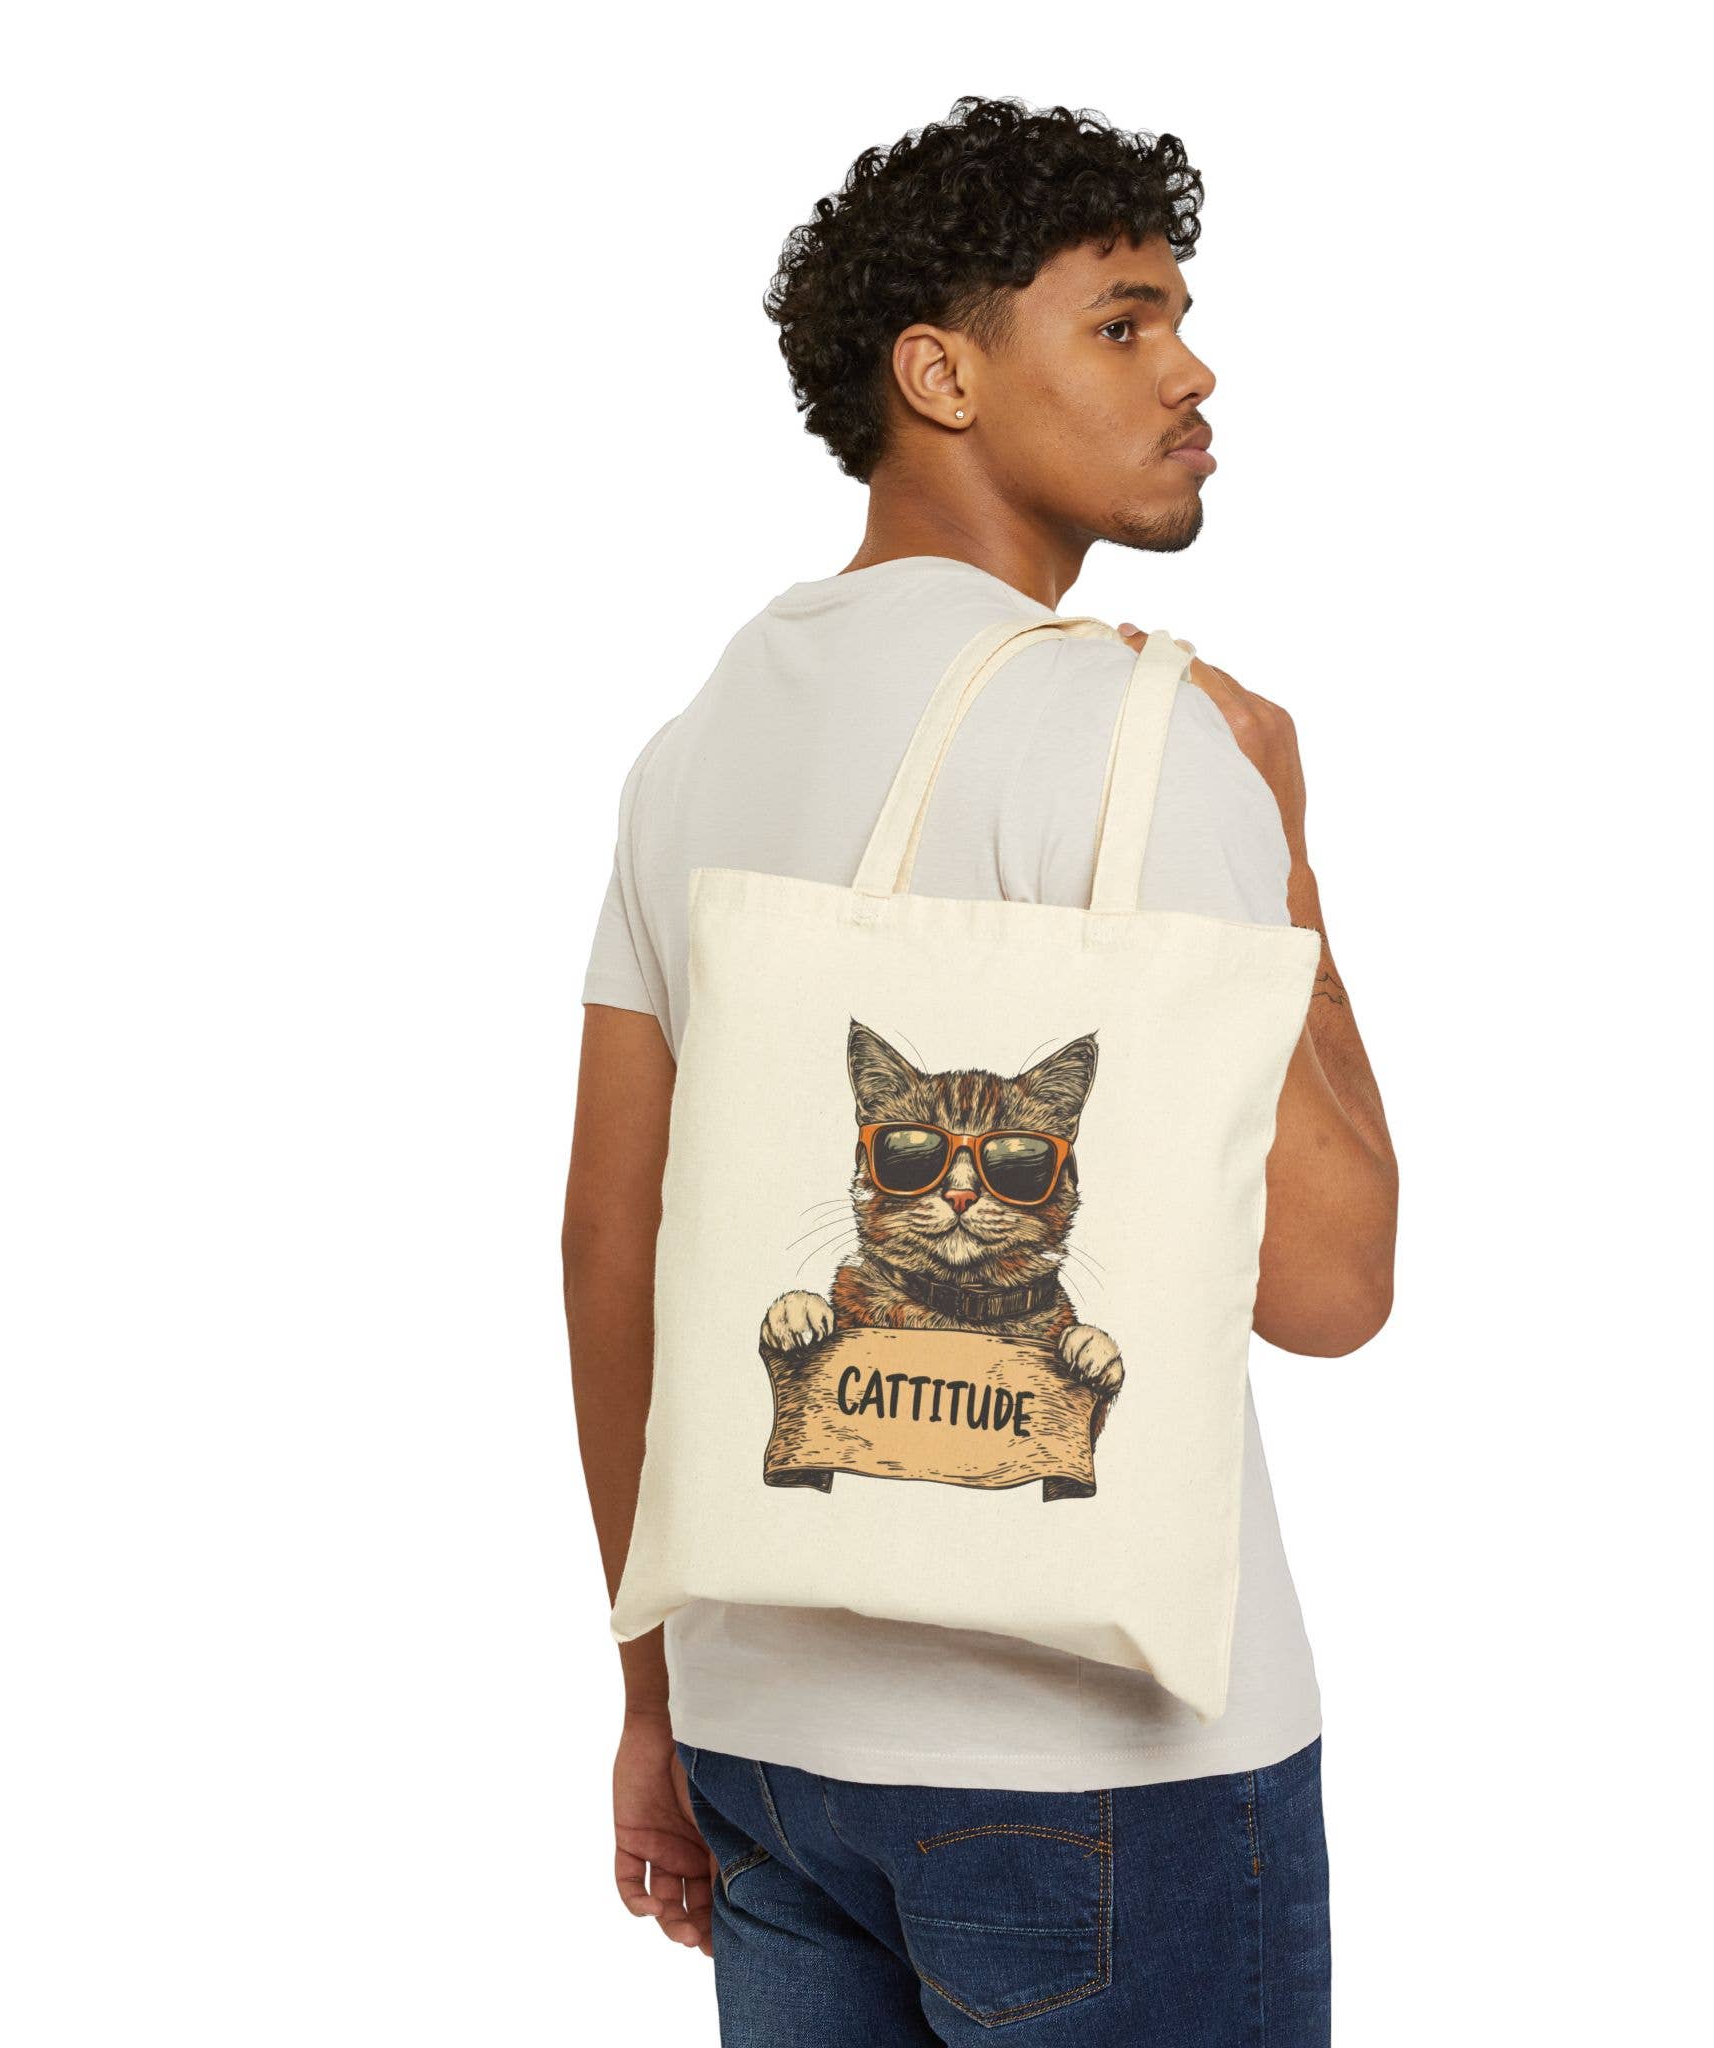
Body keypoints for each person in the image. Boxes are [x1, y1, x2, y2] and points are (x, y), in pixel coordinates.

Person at [562, 95, 1398, 2044]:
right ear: (938, 374)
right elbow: (1333, 1284)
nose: (1191, 372)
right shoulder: (1134, 734)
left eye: (1178, 316)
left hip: (763, 1743)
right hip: (1099, 1765)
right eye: (1122, 321)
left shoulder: (691, 747)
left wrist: (653, 1694)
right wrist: (1285, 848)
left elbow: (611, 1244)